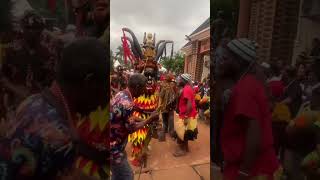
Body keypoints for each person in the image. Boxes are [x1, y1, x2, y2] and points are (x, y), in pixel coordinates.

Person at [0, 38, 109, 179]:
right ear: (89, 82)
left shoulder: (32, 101)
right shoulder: (60, 139)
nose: (102, 104)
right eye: (105, 91)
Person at [220, 38, 279, 179]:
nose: (222, 61)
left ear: (239, 62)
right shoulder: (247, 84)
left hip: (252, 169)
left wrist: (244, 172)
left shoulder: (245, 89)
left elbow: (254, 137)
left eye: (226, 58)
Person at [110, 73, 159, 180]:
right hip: (114, 148)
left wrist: (145, 116)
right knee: (128, 176)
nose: (145, 91)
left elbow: (127, 117)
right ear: (137, 87)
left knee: (117, 175)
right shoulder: (127, 104)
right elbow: (132, 128)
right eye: (143, 88)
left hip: (112, 143)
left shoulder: (121, 94)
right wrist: (149, 119)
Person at [173, 73, 198, 157]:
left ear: (184, 80)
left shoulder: (186, 89)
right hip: (188, 114)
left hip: (187, 114)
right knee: (185, 132)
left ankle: (182, 150)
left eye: (180, 79)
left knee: (182, 133)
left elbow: (189, 104)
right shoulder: (188, 88)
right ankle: (186, 148)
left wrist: (186, 116)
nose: (178, 80)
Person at [158, 73, 176, 139]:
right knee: (170, 119)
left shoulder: (162, 85)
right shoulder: (173, 85)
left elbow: (160, 96)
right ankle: (171, 133)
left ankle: (165, 131)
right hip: (170, 105)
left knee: (164, 119)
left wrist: (159, 106)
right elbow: (176, 95)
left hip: (164, 106)